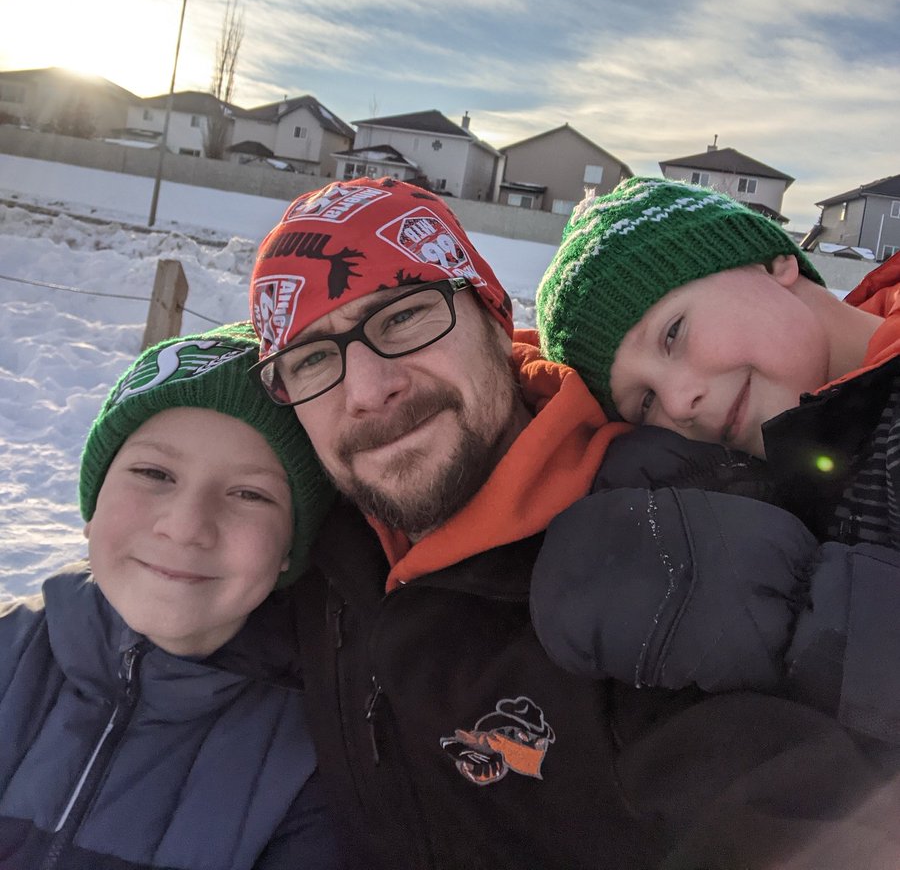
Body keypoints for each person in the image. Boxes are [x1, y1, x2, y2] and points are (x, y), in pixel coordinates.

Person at [250, 175, 900, 870]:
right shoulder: (294, 541)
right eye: (313, 356)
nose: (369, 390)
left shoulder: (670, 557)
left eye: (405, 316)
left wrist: (802, 618)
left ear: (497, 325)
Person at [532, 175, 900, 744]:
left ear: (775, 263)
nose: (680, 403)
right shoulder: (792, 465)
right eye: (645, 401)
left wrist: (796, 608)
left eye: (673, 333)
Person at [0, 323, 353, 870]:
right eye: (154, 473)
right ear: (93, 504)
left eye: (249, 493)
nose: (187, 526)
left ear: (290, 547)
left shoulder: (315, 758)